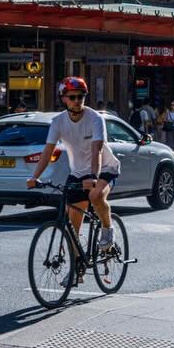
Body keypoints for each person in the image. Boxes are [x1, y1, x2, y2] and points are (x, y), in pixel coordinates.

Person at [25, 76, 121, 250]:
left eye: (80, 96)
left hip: (105, 168)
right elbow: (47, 152)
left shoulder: (95, 119)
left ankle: (107, 229)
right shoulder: (58, 122)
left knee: (95, 196)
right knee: (72, 233)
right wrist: (34, 177)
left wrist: (93, 177)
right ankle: (77, 265)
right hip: (77, 173)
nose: (77, 100)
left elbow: (97, 150)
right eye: (72, 97)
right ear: (64, 99)